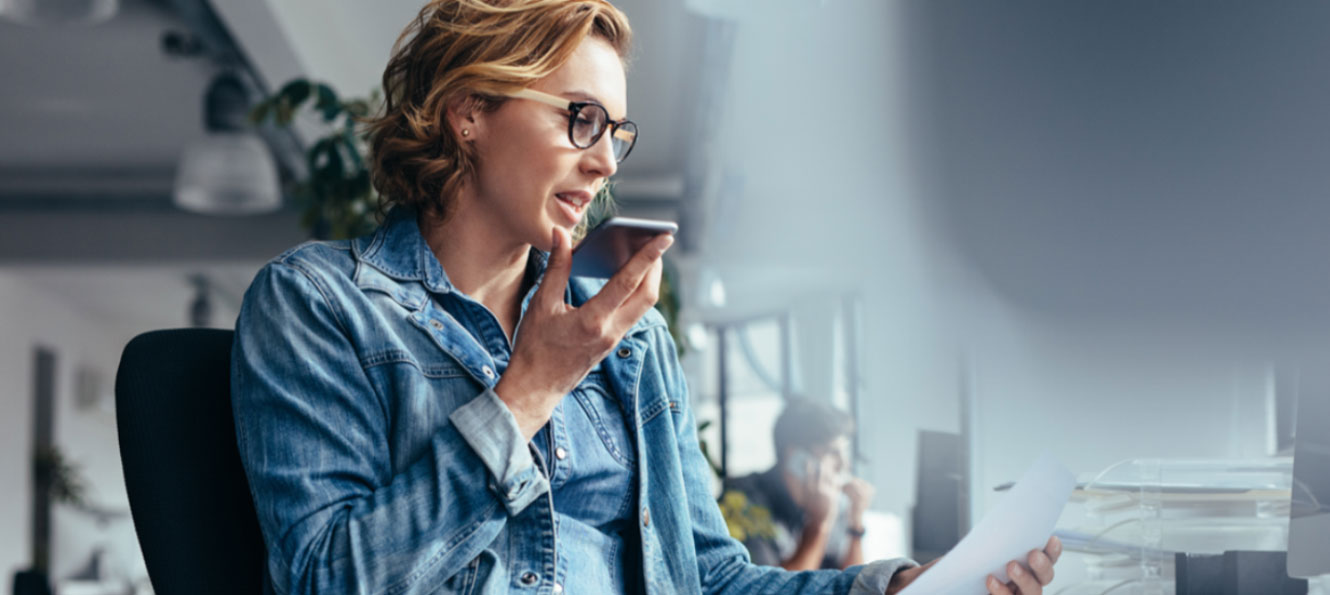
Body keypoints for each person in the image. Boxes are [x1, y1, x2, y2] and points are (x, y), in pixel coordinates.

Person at [229, 1, 1061, 593]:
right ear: (468, 111)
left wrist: (904, 587)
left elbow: (708, 577)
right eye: (579, 118)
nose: (604, 163)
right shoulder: (320, 305)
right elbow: (325, 578)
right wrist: (529, 392)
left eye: (615, 134)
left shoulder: (630, 341)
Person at [723, 399, 876, 572]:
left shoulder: (831, 502)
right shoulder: (743, 500)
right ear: (796, 458)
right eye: (832, 453)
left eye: (845, 453)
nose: (844, 465)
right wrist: (819, 524)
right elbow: (773, 591)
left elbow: (855, 585)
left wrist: (855, 524)